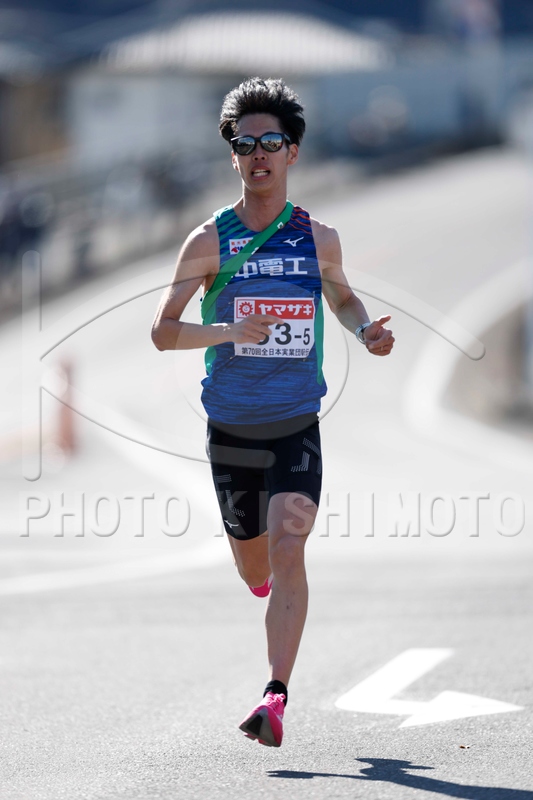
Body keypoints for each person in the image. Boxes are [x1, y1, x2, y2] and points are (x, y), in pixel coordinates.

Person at [151, 77, 394, 748]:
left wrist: (364, 329)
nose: (257, 154)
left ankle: (275, 695)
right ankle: (259, 583)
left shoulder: (319, 237)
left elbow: (340, 298)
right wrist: (227, 331)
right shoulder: (208, 241)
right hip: (231, 429)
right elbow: (163, 331)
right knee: (255, 568)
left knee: (290, 548)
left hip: (295, 423)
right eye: (244, 143)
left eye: (271, 142)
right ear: (232, 154)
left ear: (293, 152)